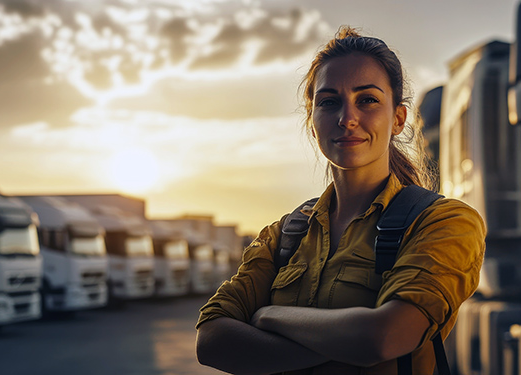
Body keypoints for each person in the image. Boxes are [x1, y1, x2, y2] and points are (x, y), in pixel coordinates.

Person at [195, 26, 486, 375]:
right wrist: (346, 348)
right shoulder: (284, 234)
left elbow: (385, 337)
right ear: (312, 118)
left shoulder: (445, 222)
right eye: (329, 101)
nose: (347, 118)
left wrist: (268, 316)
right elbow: (211, 339)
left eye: (367, 100)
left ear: (398, 118)